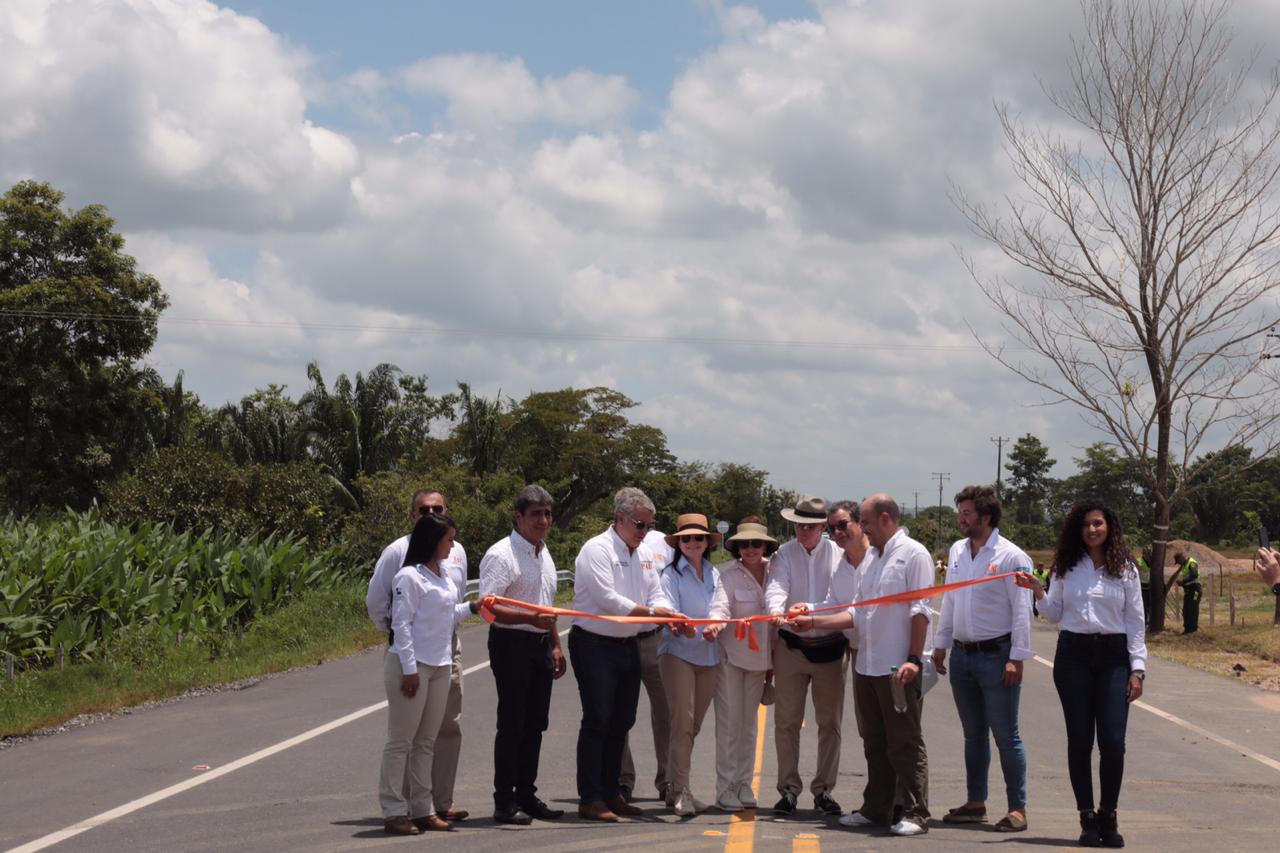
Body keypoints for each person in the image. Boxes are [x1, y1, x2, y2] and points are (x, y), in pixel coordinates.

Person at [1018, 498, 1146, 849]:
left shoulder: (1126, 569)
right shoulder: (1065, 567)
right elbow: (1055, 613)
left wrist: (1138, 669)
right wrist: (1039, 592)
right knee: (1079, 741)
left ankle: (1109, 814)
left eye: (1098, 523)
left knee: (1113, 742)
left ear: (1109, 527)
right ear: (1078, 529)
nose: (1092, 529)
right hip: (1073, 655)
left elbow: (1135, 621)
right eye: (1087, 524)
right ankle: (1087, 817)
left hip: (1114, 657)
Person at [569, 487, 685, 823]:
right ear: (619, 519)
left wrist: (667, 612)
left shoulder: (643, 552)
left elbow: (656, 591)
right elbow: (608, 599)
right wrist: (652, 613)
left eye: (649, 526)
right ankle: (590, 797)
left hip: (627, 645)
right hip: (595, 645)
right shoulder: (596, 549)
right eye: (639, 525)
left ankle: (611, 792)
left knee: (621, 722)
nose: (645, 532)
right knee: (597, 721)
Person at [931, 485, 1033, 833]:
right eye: (960, 512)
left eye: (967, 513)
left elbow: (1022, 610)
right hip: (962, 656)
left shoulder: (1011, 557)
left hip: (997, 657)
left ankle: (1017, 808)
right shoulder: (958, 551)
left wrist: (1016, 657)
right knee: (973, 734)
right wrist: (941, 644)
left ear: (985, 518)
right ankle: (976, 803)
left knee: (1007, 736)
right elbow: (951, 600)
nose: (961, 518)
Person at [366, 488, 469, 823]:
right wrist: (409, 670)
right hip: (413, 667)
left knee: (426, 741)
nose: (453, 546)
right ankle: (395, 810)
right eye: (448, 540)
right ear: (432, 539)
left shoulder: (442, 575)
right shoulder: (408, 576)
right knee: (401, 741)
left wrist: (474, 607)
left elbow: (448, 615)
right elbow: (402, 626)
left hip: (440, 663)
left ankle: (423, 810)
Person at [477, 485, 565, 825]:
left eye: (547, 514)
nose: (543, 520)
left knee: (535, 724)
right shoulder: (502, 554)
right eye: (535, 514)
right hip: (510, 644)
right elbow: (489, 609)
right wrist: (531, 619)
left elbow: (545, 607)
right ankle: (504, 801)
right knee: (512, 724)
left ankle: (526, 795)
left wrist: (555, 642)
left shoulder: (543, 552)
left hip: (540, 645)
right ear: (518, 517)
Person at [764, 495, 846, 817]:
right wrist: (776, 611)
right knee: (786, 721)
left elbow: (838, 599)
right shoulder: (783, 554)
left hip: (829, 646)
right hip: (791, 647)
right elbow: (776, 587)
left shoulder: (839, 556)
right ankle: (788, 790)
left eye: (810, 527)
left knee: (830, 723)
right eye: (798, 525)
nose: (803, 532)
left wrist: (807, 613)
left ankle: (824, 790)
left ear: (823, 527)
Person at [704, 517, 778, 812]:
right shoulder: (729, 577)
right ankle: (725, 789)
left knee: (749, 728)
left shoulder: (776, 572)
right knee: (729, 726)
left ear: (765, 546)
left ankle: (744, 783)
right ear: (736, 548)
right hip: (731, 660)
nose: (750, 549)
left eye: (756, 543)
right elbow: (719, 608)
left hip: (761, 662)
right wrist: (713, 626)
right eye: (744, 544)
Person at [657, 514, 723, 816]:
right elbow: (668, 607)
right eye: (686, 538)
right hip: (677, 653)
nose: (693, 543)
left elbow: (721, 608)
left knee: (692, 727)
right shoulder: (670, 574)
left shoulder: (714, 573)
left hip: (709, 655)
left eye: (699, 538)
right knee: (682, 723)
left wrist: (717, 627)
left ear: (708, 542)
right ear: (678, 543)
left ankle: (672, 786)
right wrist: (677, 623)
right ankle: (682, 790)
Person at [619, 528, 675, 805]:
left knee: (665, 713)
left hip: (656, 638)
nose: (640, 527)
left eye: (644, 522)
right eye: (636, 522)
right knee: (621, 714)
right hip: (622, 640)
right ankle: (622, 780)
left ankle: (667, 780)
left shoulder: (665, 544)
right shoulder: (610, 548)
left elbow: (665, 589)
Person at [1172, 552, 1202, 634]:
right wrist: (1183, 584)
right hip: (1189, 591)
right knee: (1186, 610)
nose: (1179, 564)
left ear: (1181, 558)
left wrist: (1182, 581)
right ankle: (1187, 629)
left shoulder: (1191, 563)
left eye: (1179, 562)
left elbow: (1194, 574)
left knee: (1193, 609)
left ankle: (1193, 629)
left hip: (1195, 590)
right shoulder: (1184, 565)